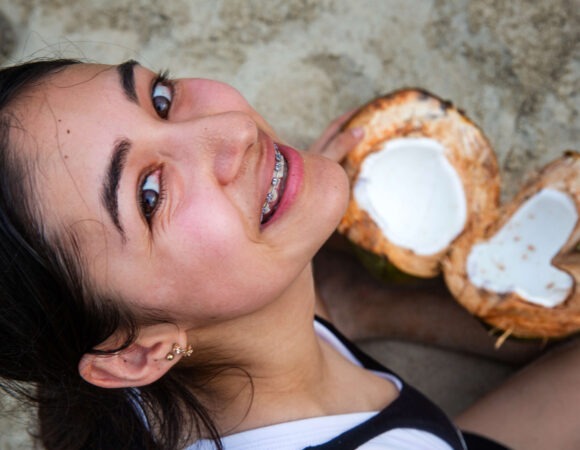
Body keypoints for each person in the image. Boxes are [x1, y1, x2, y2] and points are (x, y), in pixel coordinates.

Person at [0, 58, 579, 450]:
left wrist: (290, 225)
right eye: (150, 194)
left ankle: (346, 308)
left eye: (158, 97)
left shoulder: (91, 384)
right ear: (133, 357)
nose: (234, 129)